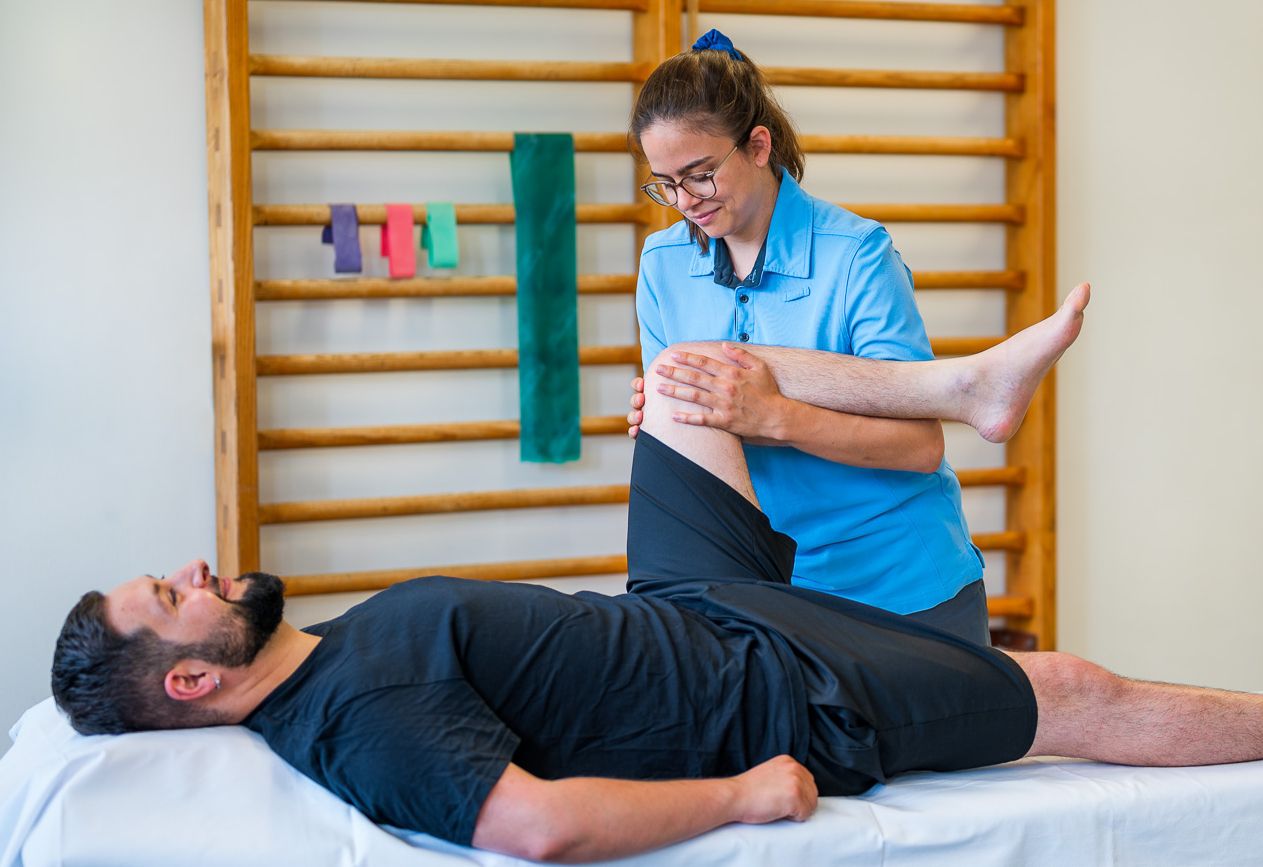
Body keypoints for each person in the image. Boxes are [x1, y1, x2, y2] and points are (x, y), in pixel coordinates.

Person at [50, 295, 1263, 862]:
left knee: (687, 375)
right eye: (171, 595)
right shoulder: (360, 726)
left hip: (681, 609)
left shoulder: (316, 662)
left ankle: (965, 391)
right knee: (1075, 692)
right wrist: (747, 796)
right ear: (198, 678)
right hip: (777, 689)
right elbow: (539, 826)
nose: (194, 571)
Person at [626, 28, 1011, 642]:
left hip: (899, 588)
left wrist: (776, 416)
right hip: (765, 595)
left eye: (700, 175)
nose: (684, 202)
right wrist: (665, 415)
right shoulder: (662, 262)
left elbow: (919, 447)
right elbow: (696, 428)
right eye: (665, 184)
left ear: (757, 146)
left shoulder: (857, 255)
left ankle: (973, 384)